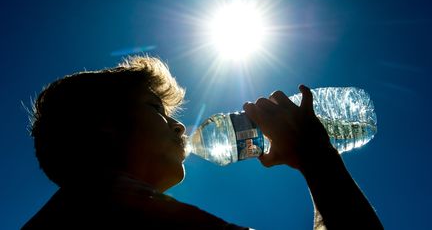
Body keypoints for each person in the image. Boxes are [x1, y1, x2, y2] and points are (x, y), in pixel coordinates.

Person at [22, 55, 383, 229]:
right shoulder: (124, 211)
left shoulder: (86, 209)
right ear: (104, 126)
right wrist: (318, 160)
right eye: (155, 109)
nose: (179, 128)